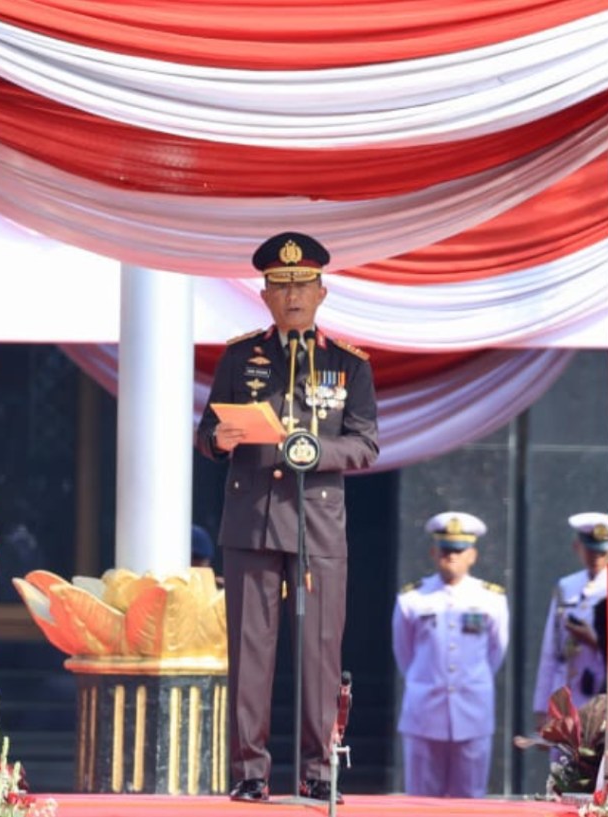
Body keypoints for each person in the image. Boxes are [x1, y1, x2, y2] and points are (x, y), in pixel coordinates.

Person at [196, 231, 379, 803]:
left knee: (320, 650)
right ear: (265, 296)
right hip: (251, 519)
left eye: (302, 285)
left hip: (317, 523)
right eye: (281, 287)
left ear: (322, 291)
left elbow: (366, 444)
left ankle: (318, 770)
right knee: (250, 653)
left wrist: (318, 451)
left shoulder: (348, 365)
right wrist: (219, 441)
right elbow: (207, 434)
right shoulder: (239, 356)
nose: (293, 296)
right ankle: (250, 772)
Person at [392, 512, 509, 798]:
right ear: (434, 552)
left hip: (472, 712)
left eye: (459, 550)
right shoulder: (412, 599)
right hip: (424, 712)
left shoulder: (491, 599)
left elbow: (496, 652)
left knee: (470, 797)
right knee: (421, 798)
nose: (451, 557)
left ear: (472, 555)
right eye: (445, 550)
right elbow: (404, 654)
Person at [532, 511, 608, 724]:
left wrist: (594, 641)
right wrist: (541, 708)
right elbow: (550, 649)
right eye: (591, 551)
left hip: (600, 688)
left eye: (601, 553)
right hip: (566, 688)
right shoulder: (566, 587)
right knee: (561, 754)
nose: (596, 558)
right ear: (578, 547)